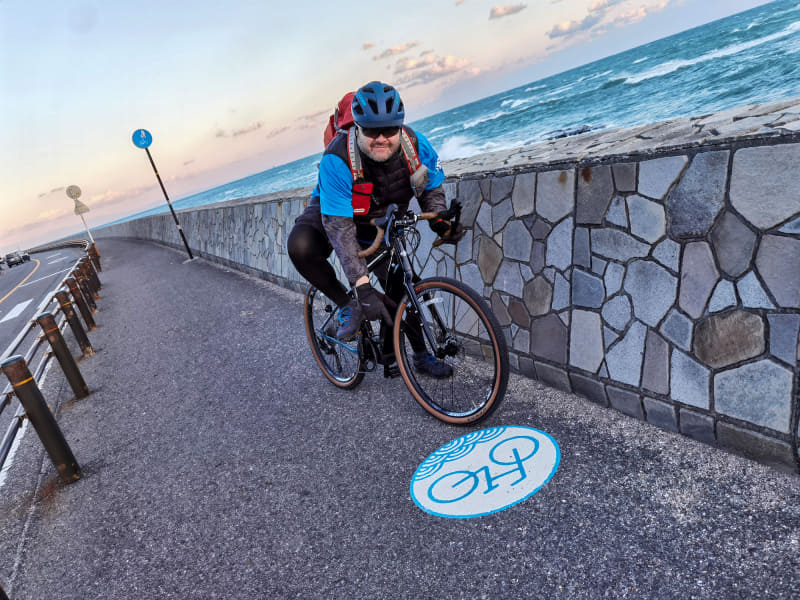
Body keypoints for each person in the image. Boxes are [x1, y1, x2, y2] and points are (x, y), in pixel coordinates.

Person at [288, 81, 463, 377]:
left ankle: (418, 356)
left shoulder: (415, 145)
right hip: (335, 210)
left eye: (389, 130)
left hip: (379, 216)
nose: (381, 138)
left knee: (402, 287)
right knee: (301, 246)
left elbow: (430, 185)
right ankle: (346, 305)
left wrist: (439, 220)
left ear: (400, 126)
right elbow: (340, 230)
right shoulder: (337, 159)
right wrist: (361, 285)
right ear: (357, 127)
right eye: (371, 131)